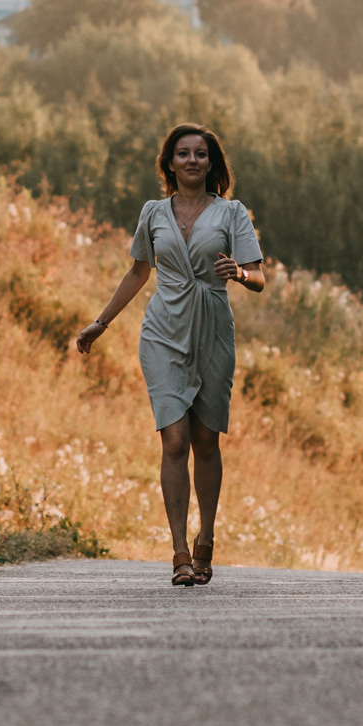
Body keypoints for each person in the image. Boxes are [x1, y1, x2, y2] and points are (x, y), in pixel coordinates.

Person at [76, 123, 265, 586]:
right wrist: (100, 323)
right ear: (170, 163)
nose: (192, 161)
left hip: (213, 333)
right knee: (174, 440)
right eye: (183, 154)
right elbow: (139, 272)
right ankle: (180, 552)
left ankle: (206, 538)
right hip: (163, 332)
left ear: (212, 163)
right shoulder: (153, 213)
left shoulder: (232, 213)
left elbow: (260, 277)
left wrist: (238, 272)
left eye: (201, 154)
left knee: (206, 441)